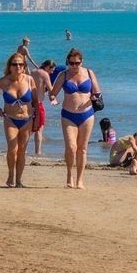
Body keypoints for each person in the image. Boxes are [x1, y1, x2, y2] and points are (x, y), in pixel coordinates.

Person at [48, 48, 101, 189]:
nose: (74, 66)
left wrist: (95, 96)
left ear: (81, 62)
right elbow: (52, 94)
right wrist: (53, 100)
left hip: (87, 114)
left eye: (77, 63)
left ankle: (80, 180)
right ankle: (69, 175)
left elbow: (97, 92)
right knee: (71, 147)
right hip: (68, 115)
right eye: (71, 63)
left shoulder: (89, 73)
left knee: (82, 149)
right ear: (67, 62)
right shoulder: (63, 75)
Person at [0, 53, 37, 187]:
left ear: (24, 66)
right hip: (10, 120)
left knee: (22, 150)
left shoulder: (30, 80)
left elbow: (36, 101)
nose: (18, 66)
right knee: (12, 149)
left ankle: (19, 180)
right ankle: (10, 175)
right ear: (10, 66)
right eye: (15, 64)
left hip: (27, 119)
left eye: (20, 64)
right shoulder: (3, 82)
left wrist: (37, 119)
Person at [30, 59, 55, 157]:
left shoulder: (31, 72)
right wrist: (54, 99)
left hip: (28, 103)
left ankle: (19, 147)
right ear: (48, 67)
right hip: (38, 104)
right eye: (52, 70)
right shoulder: (45, 74)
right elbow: (51, 90)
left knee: (28, 128)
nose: (52, 72)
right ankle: (38, 152)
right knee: (39, 129)